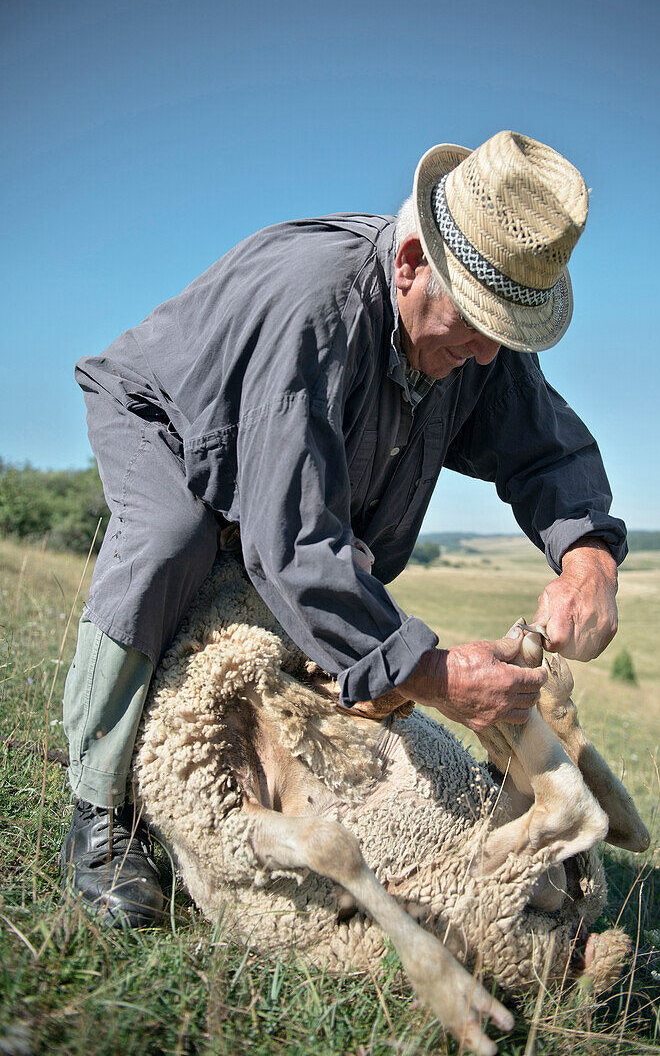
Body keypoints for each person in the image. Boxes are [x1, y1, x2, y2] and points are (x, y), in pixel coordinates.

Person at [60, 131, 626, 927]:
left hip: (284, 444)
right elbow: (293, 540)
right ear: (408, 265)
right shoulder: (314, 312)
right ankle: (98, 814)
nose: (487, 355)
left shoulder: (475, 340)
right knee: (172, 541)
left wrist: (589, 559)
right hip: (173, 416)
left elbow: (548, 449)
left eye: (507, 334)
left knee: (345, 573)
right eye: (476, 325)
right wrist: (426, 674)